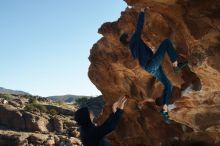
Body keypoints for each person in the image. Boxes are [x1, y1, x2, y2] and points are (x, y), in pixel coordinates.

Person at [119, 8, 187, 124]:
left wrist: (152, 52)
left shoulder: (133, 47)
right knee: (166, 42)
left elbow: (143, 53)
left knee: (168, 84)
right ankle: (176, 65)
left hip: (150, 67)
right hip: (151, 64)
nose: (130, 34)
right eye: (128, 35)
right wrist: (141, 11)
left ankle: (164, 110)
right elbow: (139, 27)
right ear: (128, 39)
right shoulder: (134, 41)